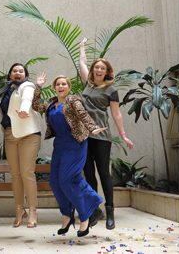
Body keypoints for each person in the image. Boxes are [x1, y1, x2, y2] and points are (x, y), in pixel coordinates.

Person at [27, 75, 106, 237]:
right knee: (55, 183)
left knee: (68, 180)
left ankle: (87, 215)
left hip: (75, 145)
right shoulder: (50, 103)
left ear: (69, 87)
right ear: (55, 87)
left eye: (64, 84)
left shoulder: (73, 101)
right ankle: (67, 215)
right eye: (58, 84)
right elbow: (35, 106)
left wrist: (93, 128)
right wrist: (38, 87)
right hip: (60, 145)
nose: (60, 86)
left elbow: (83, 114)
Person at [78, 39, 135, 230]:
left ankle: (110, 210)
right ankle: (95, 210)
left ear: (106, 71)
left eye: (102, 68)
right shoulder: (88, 83)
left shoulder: (111, 89)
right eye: (96, 67)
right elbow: (82, 63)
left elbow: (116, 113)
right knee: (89, 174)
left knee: (103, 173)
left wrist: (123, 134)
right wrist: (82, 47)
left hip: (101, 136)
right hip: (84, 135)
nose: (98, 70)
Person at [0, 63, 46, 228]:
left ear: (25, 74)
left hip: (28, 134)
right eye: (14, 71)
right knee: (15, 174)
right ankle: (19, 209)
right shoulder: (4, 92)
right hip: (10, 134)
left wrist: (24, 110)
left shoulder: (28, 86)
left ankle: (32, 211)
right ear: (10, 75)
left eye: (21, 71)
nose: (17, 73)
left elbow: (27, 99)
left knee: (26, 171)